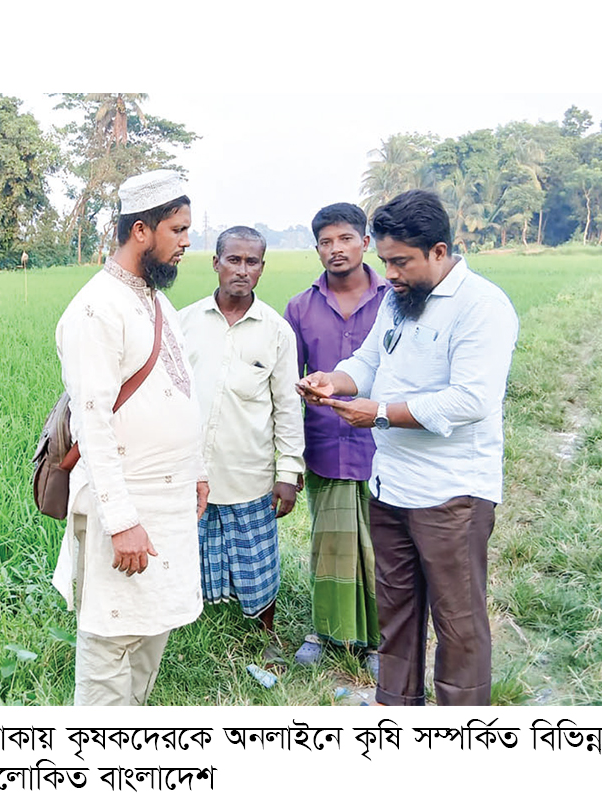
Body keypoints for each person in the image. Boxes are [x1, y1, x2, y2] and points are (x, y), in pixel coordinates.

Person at [297, 190, 519, 706]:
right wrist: (335, 381)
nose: (390, 274)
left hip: (452, 495)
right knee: (396, 614)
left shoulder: (482, 307)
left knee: (458, 622)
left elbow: (471, 399)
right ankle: (395, 710)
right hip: (391, 485)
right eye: (386, 262)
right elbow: (369, 360)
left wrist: (378, 412)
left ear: (439, 251)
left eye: (401, 262)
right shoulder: (398, 302)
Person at [52, 169, 209, 705]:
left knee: (149, 637)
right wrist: (122, 522)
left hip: (169, 501)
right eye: (178, 230)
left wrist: (199, 470)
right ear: (141, 231)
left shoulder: (158, 302)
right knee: (111, 646)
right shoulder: (95, 309)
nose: (188, 241)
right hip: (126, 504)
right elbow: (92, 422)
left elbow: (180, 390)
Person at [179, 226, 305, 657]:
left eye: (252, 262)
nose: (242, 270)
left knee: (257, 562)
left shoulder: (277, 332)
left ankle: (265, 634)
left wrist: (288, 473)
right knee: (186, 555)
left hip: (247, 470)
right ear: (215, 263)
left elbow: (288, 407)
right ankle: (184, 629)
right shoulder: (185, 323)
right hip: (187, 471)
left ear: (262, 268)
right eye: (233, 259)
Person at [283, 203, 386, 676]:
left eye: (345, 238)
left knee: (385, 548)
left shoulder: (395, 300)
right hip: (324, 446)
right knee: (330, 545)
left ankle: (384, 641)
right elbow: (288, 383)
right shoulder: (301, 307)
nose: (335, 249)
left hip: (389, 447)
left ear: (365, 243)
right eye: (325, 242)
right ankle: (326, 632)